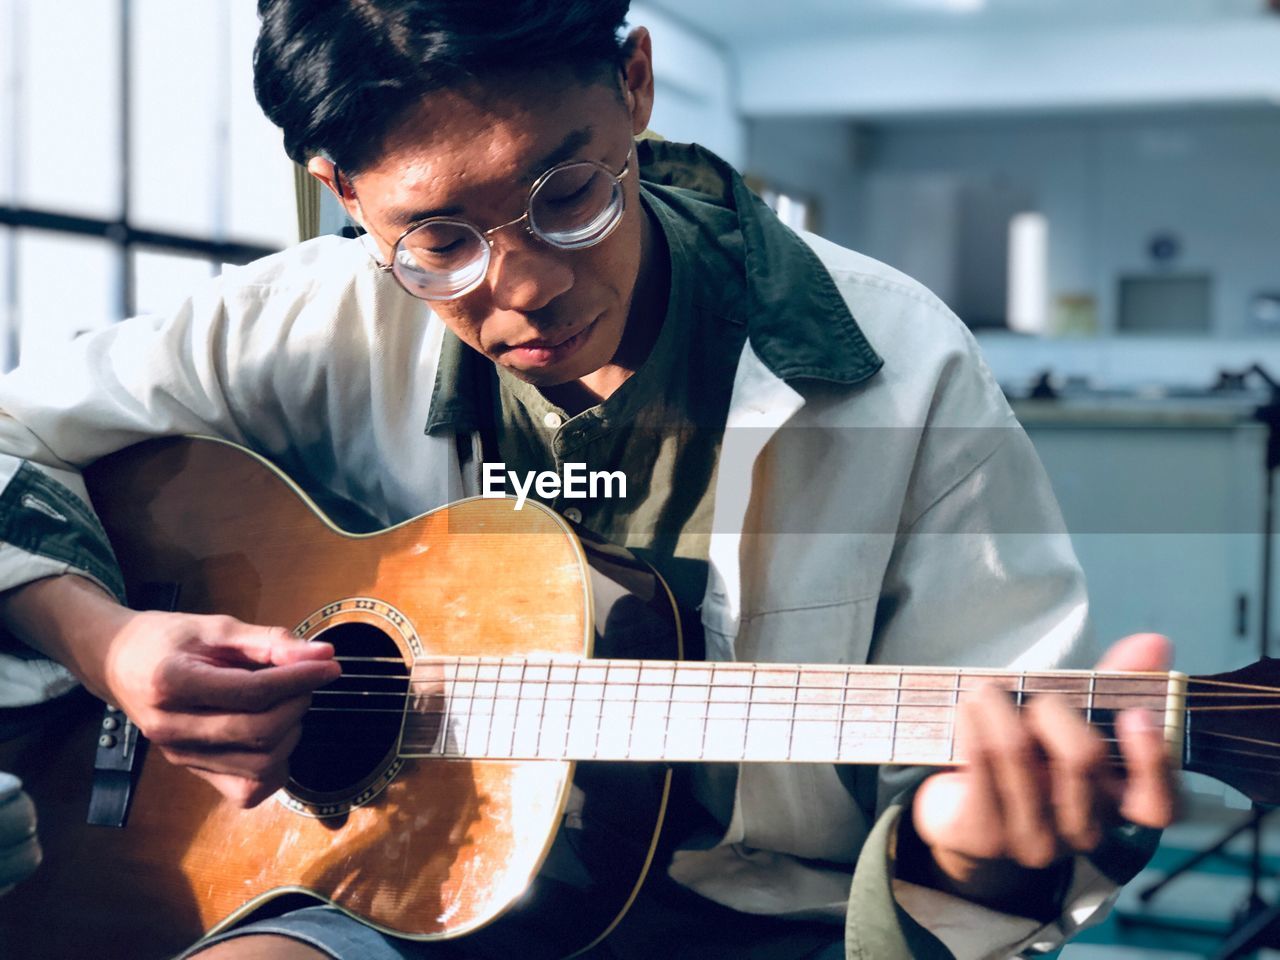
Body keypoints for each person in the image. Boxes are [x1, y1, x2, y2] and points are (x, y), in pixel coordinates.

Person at [0, 2, 1174, 958]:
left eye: (566, 195)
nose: (522, 289)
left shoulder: (899, 368)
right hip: (372, 880)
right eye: (438, 239)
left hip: (755, 920)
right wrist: (103, 640)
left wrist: (963, 845)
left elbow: (992, 782)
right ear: (340, 193)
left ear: (635, 85)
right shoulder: (308, 318)